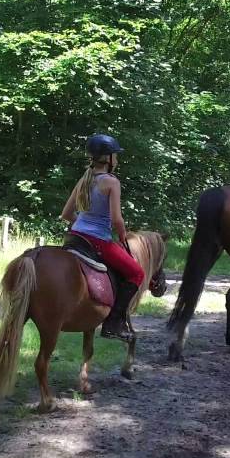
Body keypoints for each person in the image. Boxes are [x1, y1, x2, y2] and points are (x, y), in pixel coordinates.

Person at [60, 133, 145, 342]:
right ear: (108, 159)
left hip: (75, 236)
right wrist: (123, 235)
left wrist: (81, 224)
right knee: (137, 273)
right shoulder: (111, 182)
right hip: (99, 240)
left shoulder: (84, 179)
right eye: (115, 155)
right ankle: (113, 323)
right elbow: (117, 219)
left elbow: (66, 214)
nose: (117, 159)